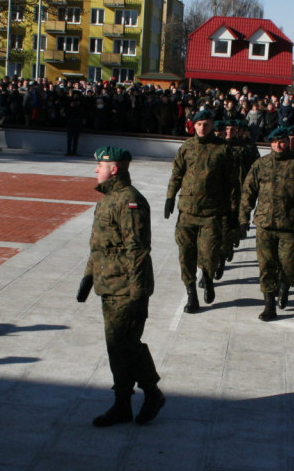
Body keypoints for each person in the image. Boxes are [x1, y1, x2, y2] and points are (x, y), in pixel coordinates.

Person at [76, 146, 164, 427]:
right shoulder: (108, 199)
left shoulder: (129, 202)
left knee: (125, 344)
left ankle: (152, 393)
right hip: (109, 285)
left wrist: (137, 294)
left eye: (100, 165)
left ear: (114, 169)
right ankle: (122, 405)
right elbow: (100, 245)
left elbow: (137, 250)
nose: (95, 170)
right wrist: (89, 276)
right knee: (117, 347)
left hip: (126, 288)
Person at [239, 126, 294, 321]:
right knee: (266, 265)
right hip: (265, 224)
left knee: (289, 266)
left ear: (288, 142)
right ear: (271, 143)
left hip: (290, 225)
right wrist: (243, 219)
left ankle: (285, 286)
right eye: (275, 142)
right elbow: (248, 192)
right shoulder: (261, 164)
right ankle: (269, 305)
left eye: (283, 141)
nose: (279, 145)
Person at [164, 109, 237, 313]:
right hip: (186, 211)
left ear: (212, 125)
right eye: (198, 124)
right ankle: (191, 295)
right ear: (193, 125)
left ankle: (208, 276)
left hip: (212, 213)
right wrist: (170, 196)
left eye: (206, 124)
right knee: (185, 255)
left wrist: (233, 211)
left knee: (210, 253)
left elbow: (233, 183)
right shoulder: (187, 147)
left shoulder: (223, 149)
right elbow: (177, 173)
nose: (202, 128)